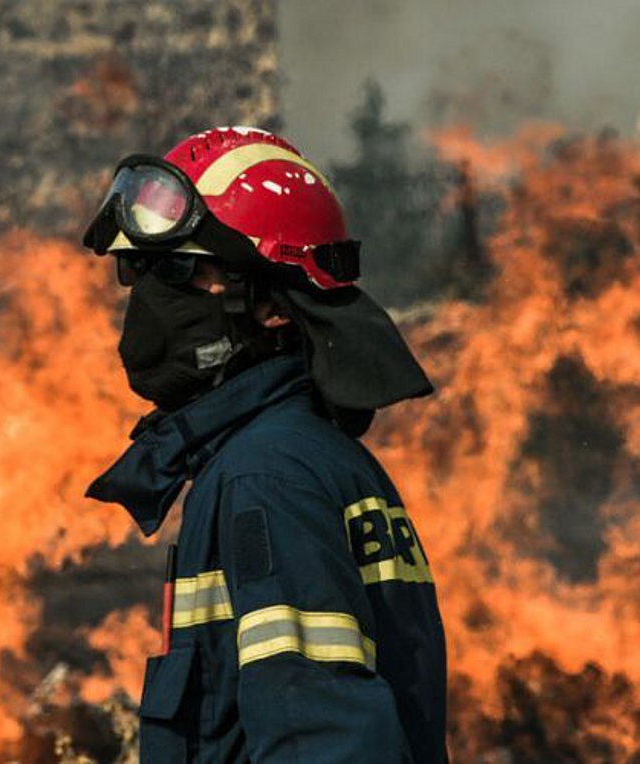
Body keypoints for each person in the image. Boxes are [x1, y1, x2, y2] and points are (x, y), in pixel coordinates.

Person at [83, 127, 447, 763]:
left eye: (177, 270)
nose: (147, 294)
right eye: (137, 269)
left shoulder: (266, 476)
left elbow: (322, 742)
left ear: (274, 307)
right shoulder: (296, 457)